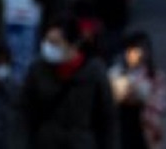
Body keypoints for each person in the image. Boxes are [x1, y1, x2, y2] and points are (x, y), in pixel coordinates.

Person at [16, 12, 117, 149]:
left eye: (55, 43)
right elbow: (24, 113)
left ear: (73, 45)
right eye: (47, 41)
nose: (48, 47)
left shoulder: (94, 71)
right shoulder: (37, 69)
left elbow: (107, 118)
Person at [108, 30, 166, 149]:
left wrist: (137, 94)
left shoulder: (155, 76)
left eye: (143, 49)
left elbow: (161, 103)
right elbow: (113, 99)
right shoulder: (115, 73)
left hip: (147, 130)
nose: (139, 54)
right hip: (122, 128)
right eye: (134, 50)